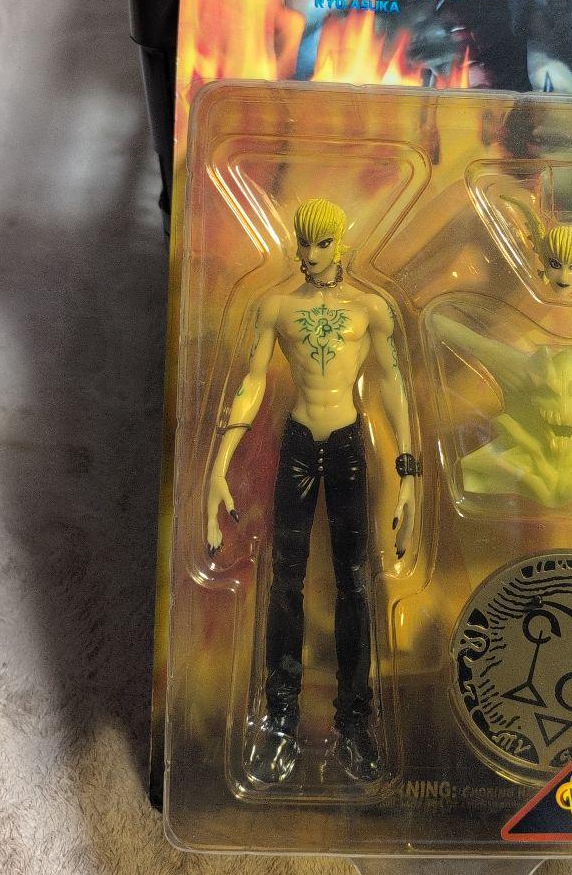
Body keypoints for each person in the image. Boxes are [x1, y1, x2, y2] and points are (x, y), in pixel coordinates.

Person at [205, 198, 418, 783]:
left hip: (348, 443)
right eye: (304, 242)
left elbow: (393, 384)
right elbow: (251, 381)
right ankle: (279, 720)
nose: (310, 253)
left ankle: (355, 723)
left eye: (321, 242)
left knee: (355, 583)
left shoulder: (369, 309)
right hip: (299, 440)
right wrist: (218, 465)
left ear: (340, 244)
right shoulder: (276, 306)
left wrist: (409, 475)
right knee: (285, 583)